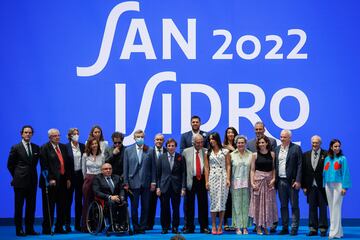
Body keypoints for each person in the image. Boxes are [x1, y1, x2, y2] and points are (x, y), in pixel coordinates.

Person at [7, 125, 40, 236]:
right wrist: (16, 176)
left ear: (32, 134)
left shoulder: (36, 147)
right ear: (22, 134)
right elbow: (10, 165)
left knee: (31, 206)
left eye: (30, 132)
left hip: (32, 181)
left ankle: (30, 228)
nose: (28, 134)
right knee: (19, 206)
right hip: (20, 182)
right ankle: (19, 229)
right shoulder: (15, 147)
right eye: (26, 132)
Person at [246, 121, 278, 233]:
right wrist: (252, 182)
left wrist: (274, 179)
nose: (258, 131)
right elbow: (252, 169)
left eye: (260, 129)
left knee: (268, 204)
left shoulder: (273, 150)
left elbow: (274, 167)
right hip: (258, 181)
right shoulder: (250, 145)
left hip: (269, 182)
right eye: (256, 129)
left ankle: (266, 225)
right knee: (258, 205)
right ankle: (258, 226)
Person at [123, 129, 156, 234]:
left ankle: (142, 227)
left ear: (144, 138)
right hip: (133, 183)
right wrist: (126, 182)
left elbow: (153, 168)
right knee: (134, 207)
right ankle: (136, 227)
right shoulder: (128, 150)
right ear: (134, 138)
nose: (140, 138)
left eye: (142, 137)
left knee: (145, 207)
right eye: (138, 137)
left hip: (146, 183)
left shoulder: (150, 150)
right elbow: (125, 168)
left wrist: (153, 182)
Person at [39, 128, 71, 234]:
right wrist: (49, 179)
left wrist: (67, 179)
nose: (57, 137)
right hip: (51, 181)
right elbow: (44, 166)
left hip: (62, 180)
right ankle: (47, 228)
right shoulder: (44, 148)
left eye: (58, 135)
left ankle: (59, 227)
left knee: (62, 205)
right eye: (54, 136)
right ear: (49, 137)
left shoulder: (63, 147)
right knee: (49, 206)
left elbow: (66, 164)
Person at [275, 129, 302, 236]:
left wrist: (298, 180)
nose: (282, 139)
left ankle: (294, 228)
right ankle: (285, 227)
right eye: (281, 137)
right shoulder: (277, 149)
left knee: (294, 205)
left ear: (290, 138)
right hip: (280, 181)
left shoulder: (296, 148)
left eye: (284, 137)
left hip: (292, 182)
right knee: (283, 206)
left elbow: (300, 165)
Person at [156, 138, 186, 234]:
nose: (171, 147)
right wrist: (158, 187)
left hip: (176, 187)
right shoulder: (161, 157)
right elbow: (158, 174)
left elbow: (183, 173)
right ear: (166, 147)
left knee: (176, 208)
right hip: (164, 186)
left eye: (173, 146)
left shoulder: (180, 157)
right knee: (164, 208)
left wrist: (183, 187)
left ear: (175, 147)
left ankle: (175, 227)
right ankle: (165, 227)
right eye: (169, 145)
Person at [323, 139, 351, 239]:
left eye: (339, 146)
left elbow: (345, 173)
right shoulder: (327, 159)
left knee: (336, 207)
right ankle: (338, 232)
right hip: (328, 185)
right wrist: (324, 184)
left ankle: (333, 232)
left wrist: (344, 187)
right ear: (331, 147)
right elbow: (324, 173)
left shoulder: (343, 159)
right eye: (335, 146)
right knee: (331, 208)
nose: (337, 148)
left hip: (338, 185)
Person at [182, 134, 210, 234]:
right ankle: (189, 227)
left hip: (202, 179)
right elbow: (183, 171)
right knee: (189, 205)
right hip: (191, 180)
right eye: (197, 142)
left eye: (201, 142)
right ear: (193, 142)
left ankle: (204, 227)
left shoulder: (206, 151)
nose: (199, 144)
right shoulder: (186, 152)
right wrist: (183, 186)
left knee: (203, 204)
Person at [204, 132, 231, 235]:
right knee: (214, 202)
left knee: (222, 202)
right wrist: (206, 181)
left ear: (217, 139)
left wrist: (228, 178)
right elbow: (206, 168)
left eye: (213, 139)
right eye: (210, 139)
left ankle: (220, 226)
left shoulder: (225, 151)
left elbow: (228, 165)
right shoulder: (208, 152)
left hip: (223, 177)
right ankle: (214, 225)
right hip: (212, 177)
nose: (211, 141)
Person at [302, 135, 328, 237]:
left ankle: (323, 229)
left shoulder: (326, 154)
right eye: (313, 142)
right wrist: (304, 186)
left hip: (322, 186)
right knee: (311, 208)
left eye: (316, 142)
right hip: (310, 186)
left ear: (320, 143)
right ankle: (313, 229)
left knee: (323, 208)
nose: (314, 144)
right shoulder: (306, 155)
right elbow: (303, 172)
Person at [92, 163, 128, 232]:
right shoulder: (97, 178)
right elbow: (96, 192)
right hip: (105, 201)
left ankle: (123, 224)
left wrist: (122, 197)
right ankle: (114, 224)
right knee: (112, 203)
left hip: (117, 199)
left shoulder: (117, 177)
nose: (108, 170)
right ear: (102, 170)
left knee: (124, 203)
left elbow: (121, 189)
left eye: (110, 169)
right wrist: (110, 197)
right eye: (106, 169)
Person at [81, 137, 105, 232]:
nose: (94, 145)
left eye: (96, 143)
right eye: (92, 144)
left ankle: (98, 226)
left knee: (99, 203)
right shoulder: (85, 155)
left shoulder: (102, 156)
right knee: (87, 203)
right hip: (88, 180)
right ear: (89, 145)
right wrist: (87, 178)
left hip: (99, 180)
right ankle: (86, 226)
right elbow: (83, 170)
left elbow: (103, 169)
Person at [230, 135, 252, 235]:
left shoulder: (251, 155)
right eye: (239, 143)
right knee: (236, 206)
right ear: (236, 143)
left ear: (245, 143)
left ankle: (245, 227)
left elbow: (253, 170)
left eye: (242, 142)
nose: (240, 144)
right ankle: (237, 226)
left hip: (247, 184)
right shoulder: (231, 155)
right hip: (235, 184)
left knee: (246, 206)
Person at [65, 128, 85, 232]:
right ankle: (67, 225)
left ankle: (78, 224)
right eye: (74, 134)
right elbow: (64, 164)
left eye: (77, 133)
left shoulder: (82, 146)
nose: (76, 135)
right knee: (68, 202)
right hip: (69, 177)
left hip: (80, 176)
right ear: (70, 136)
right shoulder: (65, 147)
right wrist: (67, 178)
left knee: (79, 202)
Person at [147, 133, 167, 230]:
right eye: (157, 140)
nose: (159, 141)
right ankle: (149, 224)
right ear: (154, 141)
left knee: (165, 206)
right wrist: (152, 182)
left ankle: (166, 226)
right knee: (150, 205)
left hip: (164, 184)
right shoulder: (149, 152)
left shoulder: (167, 152)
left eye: (161, 140)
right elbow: (148, 169)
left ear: (163, 141)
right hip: (151, 184)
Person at [222, 127, 238, 231]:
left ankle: (235, 222)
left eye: (232, 132)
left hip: (237, 175)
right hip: (225, 175)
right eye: (228, 132)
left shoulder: (239, 145)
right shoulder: (222, 146)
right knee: (225, 199)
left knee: (235, 200)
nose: (230, 134)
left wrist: (232, 149)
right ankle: (225, 222)